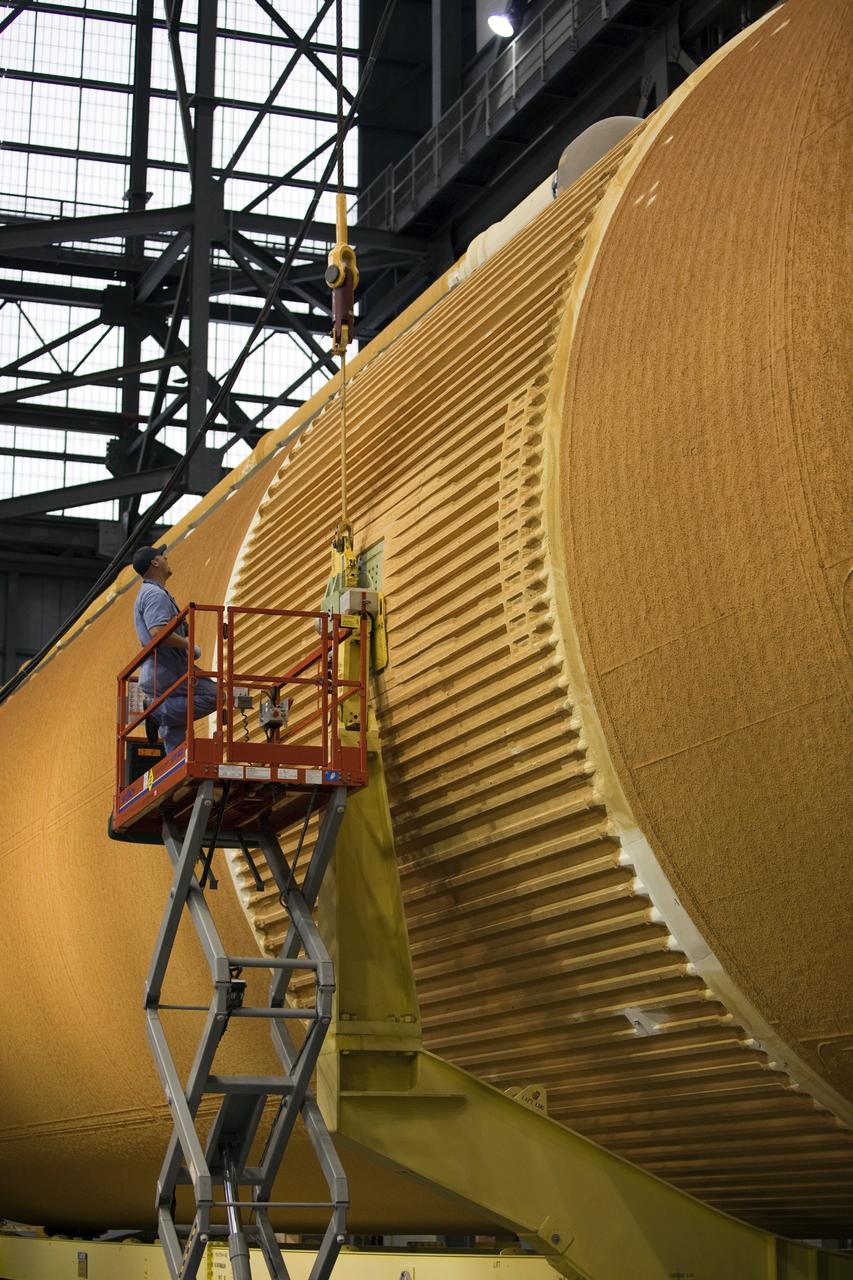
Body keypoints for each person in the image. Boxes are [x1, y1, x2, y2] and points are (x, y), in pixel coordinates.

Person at [132, 545, 217, 754]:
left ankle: (175, 767)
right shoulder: (155, 595)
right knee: (215, 695)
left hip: (160, 671)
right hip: (167, 669)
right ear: (155, 562)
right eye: (162, 555)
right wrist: (189, 645)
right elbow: (158, 632)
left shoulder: (152, 593)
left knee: (176, 727)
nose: (166, 557)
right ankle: (156, 712)